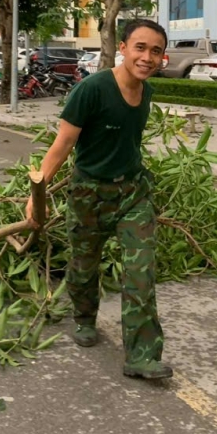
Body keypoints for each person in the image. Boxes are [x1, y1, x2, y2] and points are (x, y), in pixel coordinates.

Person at [27, 19, 171, 380]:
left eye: (156, 51)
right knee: (83, 265)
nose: (147, 57)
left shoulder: (147, 92)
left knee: (141, 272)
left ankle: (142, 355)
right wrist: (37, 194)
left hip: (133, 194)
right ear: (122, 48)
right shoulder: (90, 90)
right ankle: (84, 317)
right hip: (88, 193)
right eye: (140, 47)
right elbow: (62, 145)